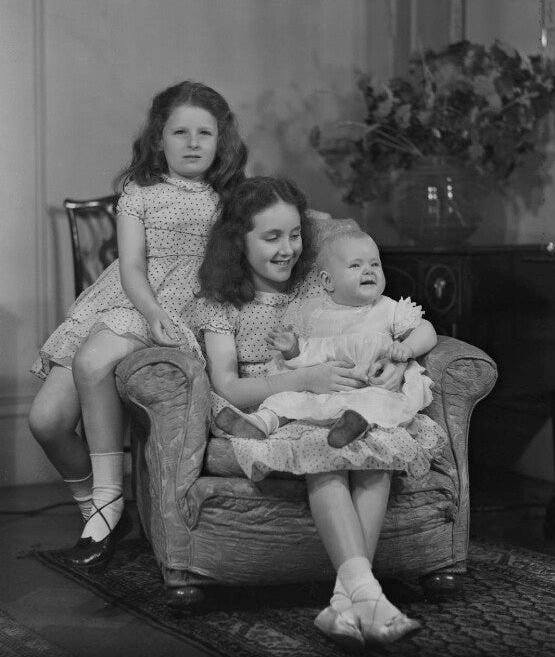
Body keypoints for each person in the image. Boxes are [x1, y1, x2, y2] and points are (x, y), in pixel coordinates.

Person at [195, 175, 447, 651]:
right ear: (237, 241)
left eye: (295, 235)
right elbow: (226, 385)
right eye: (271, 237)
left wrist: (396, 367)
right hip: (285, 403)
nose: (288, 248)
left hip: (349, 398)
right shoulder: (221, 304)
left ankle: (345, 603)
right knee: (324, 457)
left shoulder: (321, 280)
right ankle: (366, 596)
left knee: (378, 456)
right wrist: (301, 379)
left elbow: (370, 322)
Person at [29, 80, 247, 572]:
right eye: (179, 132)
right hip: (130, 298)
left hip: (185, 303)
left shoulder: (229, 197)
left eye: (205, 133)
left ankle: (107, 503)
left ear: (221, 140)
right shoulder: (139, 191)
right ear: (158, 138)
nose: (192, 143)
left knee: (94, 360)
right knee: (45, 421)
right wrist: (151, 313)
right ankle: (98, 512)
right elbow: (130, 267)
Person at [215, 228, 436, 448]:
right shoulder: (313, 314)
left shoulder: (387, 309)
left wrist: (407, 349)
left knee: (373, 403)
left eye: (375, 264)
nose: (369, 271)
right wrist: (292, 349)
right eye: (356, 265)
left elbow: (426, 330)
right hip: (322, 393)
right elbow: (310, 355)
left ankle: (355, 426)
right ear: (328, 281)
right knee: (285, 400)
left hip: (367, 388)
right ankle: (260, 423)